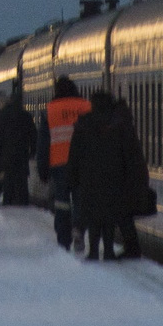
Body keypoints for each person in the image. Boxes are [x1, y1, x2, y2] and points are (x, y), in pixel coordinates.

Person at [68, 90, 126, 261]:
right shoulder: (116, 125)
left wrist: (72, 178)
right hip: (111, 177)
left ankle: (93, 250)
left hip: (89, 178)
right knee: (109, 215)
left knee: (93, 215)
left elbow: (74, 154)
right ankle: (108, 250)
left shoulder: (83, 124)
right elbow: (124, 153)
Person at [39, 76, 91, 250]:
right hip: (83, 163)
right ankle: (78, 228)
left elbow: (44, 143)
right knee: (80, 199)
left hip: (59, 163)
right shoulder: (86, 107)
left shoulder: (50, 110)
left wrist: (42, 169)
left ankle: (63, 238)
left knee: (61, 202)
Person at [108, 97, 152, 260]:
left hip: (128, 180)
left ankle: (131, 248)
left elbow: (120, 157)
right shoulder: (125, 125)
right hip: (134, 178)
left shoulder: (118, 127)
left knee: (121, 212)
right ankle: (131, 247)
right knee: (123, 213)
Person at [0, 89, 33, 205]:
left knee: (8, 180)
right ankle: (22, 201)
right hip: (22, 152)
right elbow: (32, 134)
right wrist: (32, 149)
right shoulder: (26, 115)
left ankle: (8, 200)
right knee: (22, 180)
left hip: (7, 153)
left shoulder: (3, 115)